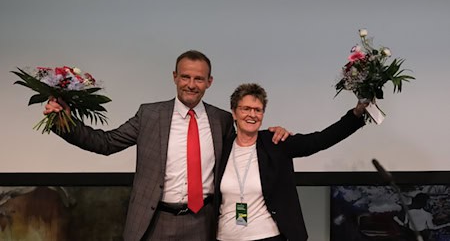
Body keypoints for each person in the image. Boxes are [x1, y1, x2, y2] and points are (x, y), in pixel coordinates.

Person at [44, 50, 290, 241]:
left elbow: (246, 141)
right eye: (185, 77)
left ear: (209, 82)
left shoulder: (222, 120)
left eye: (198, 79)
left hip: (202, 223)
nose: (191, 84)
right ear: (175, 77)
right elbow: (105, 143)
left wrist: (274, 134)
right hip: (155, 222)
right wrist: (63, 120)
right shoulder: (150, 115)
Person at [214, 83, 368, 241]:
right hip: (224, 236)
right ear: (234, 113)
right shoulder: (220, 147)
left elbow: (318, 141)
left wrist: (355, 115)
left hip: (267, 236)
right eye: (245, 109)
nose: (252, 115)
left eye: (258, 110)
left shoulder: (275, 142)